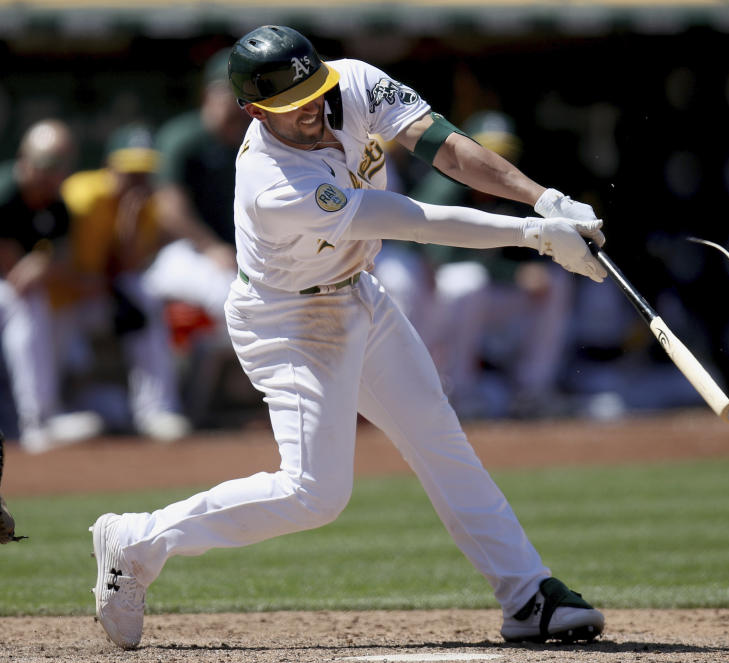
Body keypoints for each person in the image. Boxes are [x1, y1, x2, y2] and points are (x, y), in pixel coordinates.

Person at [90, 25, 607, 650]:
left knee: (438, 436)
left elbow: (443, 146)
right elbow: (412, 221)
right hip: (288, 321)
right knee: (315, 495)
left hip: (358, 292)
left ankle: (527, 595)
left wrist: (543, 198)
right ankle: (136, 541)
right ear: (253, 111)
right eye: (289, 103)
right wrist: (531, 236)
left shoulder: (353, 80)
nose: (310, 107)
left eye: (313, 89)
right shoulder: (273, 182)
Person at [376, 110, 577, 418]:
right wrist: (514, 273)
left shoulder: (512, 190)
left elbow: (526, 260)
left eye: (502, 155)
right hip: (439, 301)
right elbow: (440, 256)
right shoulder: (445, 187)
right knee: (467, 280)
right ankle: (459, 391)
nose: (494, 162)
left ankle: (533, 389)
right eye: (488, 153)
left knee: (556, 281)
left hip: (490, 298)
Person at [56, 125, 192, 441]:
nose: (137, 182)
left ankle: (156, 410)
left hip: (95, 298)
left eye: (143, 173)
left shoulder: (144, 206)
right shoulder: (82, 194)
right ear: (109, 167)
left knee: (145, 297)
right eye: (130, 172)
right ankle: (40, 418)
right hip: (60, 296)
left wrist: (128, 222)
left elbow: (130, 267)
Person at [0, 119, 104, 453]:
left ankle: (46, 414)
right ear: (23, 158)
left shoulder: (57, 207)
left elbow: (62, 265)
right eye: (45, 162)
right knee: (27, 302)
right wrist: (39, 265)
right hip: (10, 290)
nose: (51, 172)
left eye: (60, 165)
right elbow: (14, 269)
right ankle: (36, 420)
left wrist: (44, 264)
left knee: (49, 301)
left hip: (12, 292)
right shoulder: (6, 191)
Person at [143, 47, 249, 322]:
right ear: (207, 95)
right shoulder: (184, 138)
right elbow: (169, 211)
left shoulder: (255, 141)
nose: (238, 102)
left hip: (234, 254)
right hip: (184, 252)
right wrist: (210, 246)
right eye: (229, 91)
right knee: (231, 297)